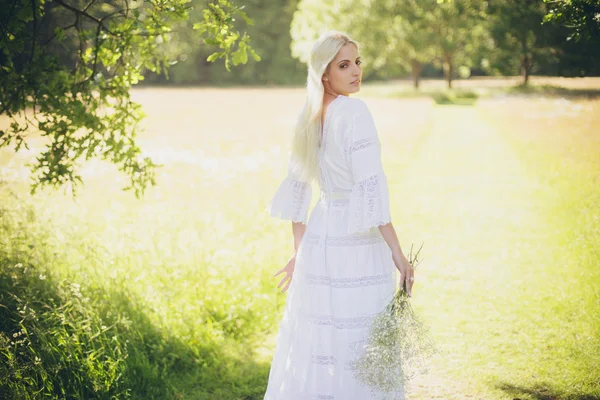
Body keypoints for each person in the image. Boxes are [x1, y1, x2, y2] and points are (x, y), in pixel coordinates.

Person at [263, 30, 415, 400]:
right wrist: (397, 252)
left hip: (321, 233)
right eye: (343, 65)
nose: (355, 71)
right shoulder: (354, 111)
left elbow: (299, 197)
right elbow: (369, 186)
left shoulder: (309, 116)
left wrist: (301, 252)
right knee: (360, 336)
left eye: (357, 62)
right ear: (324, 74)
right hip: (357, 238)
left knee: (323, 336)